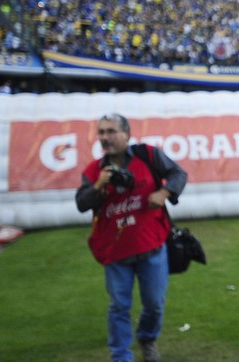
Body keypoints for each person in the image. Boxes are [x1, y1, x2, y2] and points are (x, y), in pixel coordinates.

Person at [76, 114, 188, 362]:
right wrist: (97, 186)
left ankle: (147, 339)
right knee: (119, 306)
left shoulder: (147, 155)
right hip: (115, 252)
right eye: (101, 132)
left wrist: (165, 192)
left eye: (111, 131)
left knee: (155, 304)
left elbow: (179, 174)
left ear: (127, 134)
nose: (105, 137)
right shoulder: (94, 170)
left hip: (151, 246)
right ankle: (121, 355)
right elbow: (81, 204)